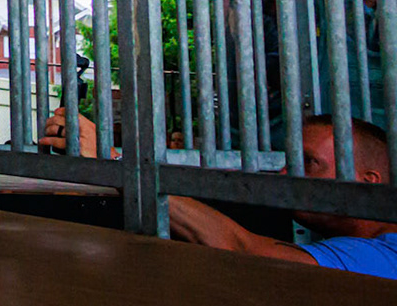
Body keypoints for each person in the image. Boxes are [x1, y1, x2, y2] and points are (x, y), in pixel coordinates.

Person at [41, 107, 397, 279]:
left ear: (369, 182)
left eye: (310, 162)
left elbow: (242, 250)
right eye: (290, 162)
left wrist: (113, 162)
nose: (289, 175)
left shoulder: (382, 257)